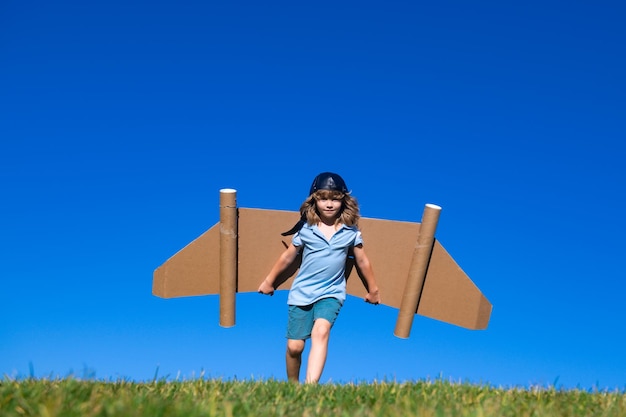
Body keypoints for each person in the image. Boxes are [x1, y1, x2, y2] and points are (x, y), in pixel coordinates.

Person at [258, 172, 381, 383]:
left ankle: (309, 388)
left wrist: (373, 289)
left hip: (331, 293)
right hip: (302, 293)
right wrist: (269, 281)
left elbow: (362, 261)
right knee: (294, 347)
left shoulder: (350, 232)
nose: (330, 204)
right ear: (314, 199)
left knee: (321, 331)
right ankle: (293, 386)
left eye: (335, 198)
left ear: (344, 200)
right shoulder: (306, 230)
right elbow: (288, 257)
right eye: (324, 198)